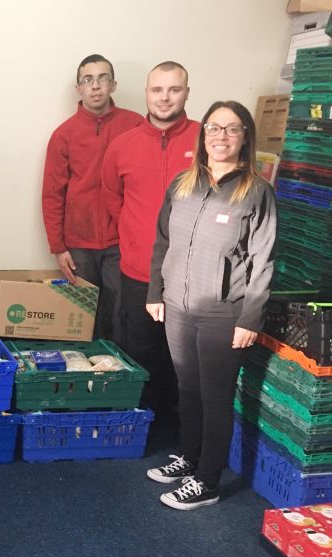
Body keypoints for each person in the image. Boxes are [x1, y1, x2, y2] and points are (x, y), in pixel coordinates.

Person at [145, 101, 277, 510]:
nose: (221, 136)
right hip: (177, 306)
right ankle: (189, 457)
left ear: (244, 137)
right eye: (214, 128)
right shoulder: (183, 184)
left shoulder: (256, 191)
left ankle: (207, 481)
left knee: (216, 397)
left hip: (225, 313)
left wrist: (249, 318)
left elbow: (263, 260)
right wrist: (155, 291)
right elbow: (162, 241)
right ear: (203, 135)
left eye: (232, 129)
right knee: (187, 389)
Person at [101, 61, 199, 421]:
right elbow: (114, 200)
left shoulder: (206, 140)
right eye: (157, 89)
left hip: (191, 277)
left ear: (187, 92)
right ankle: (141, 424)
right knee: (139, 352)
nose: (165, 97)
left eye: (174, 89)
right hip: (138, 272)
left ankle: (181, 431)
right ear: (146, 92)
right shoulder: (121, 146)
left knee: (184, 357)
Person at [42, 54, 142, 342]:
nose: (95, 86)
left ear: (113, 85)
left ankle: (122, 376)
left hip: (121, 240)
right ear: (79, 89)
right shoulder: (63, 135)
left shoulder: (135, 126)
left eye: (102, 78)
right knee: (83, 318)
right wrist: (58, 247)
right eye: (88, 80)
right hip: (78, 245)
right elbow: (52, 194)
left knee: (122, 314)